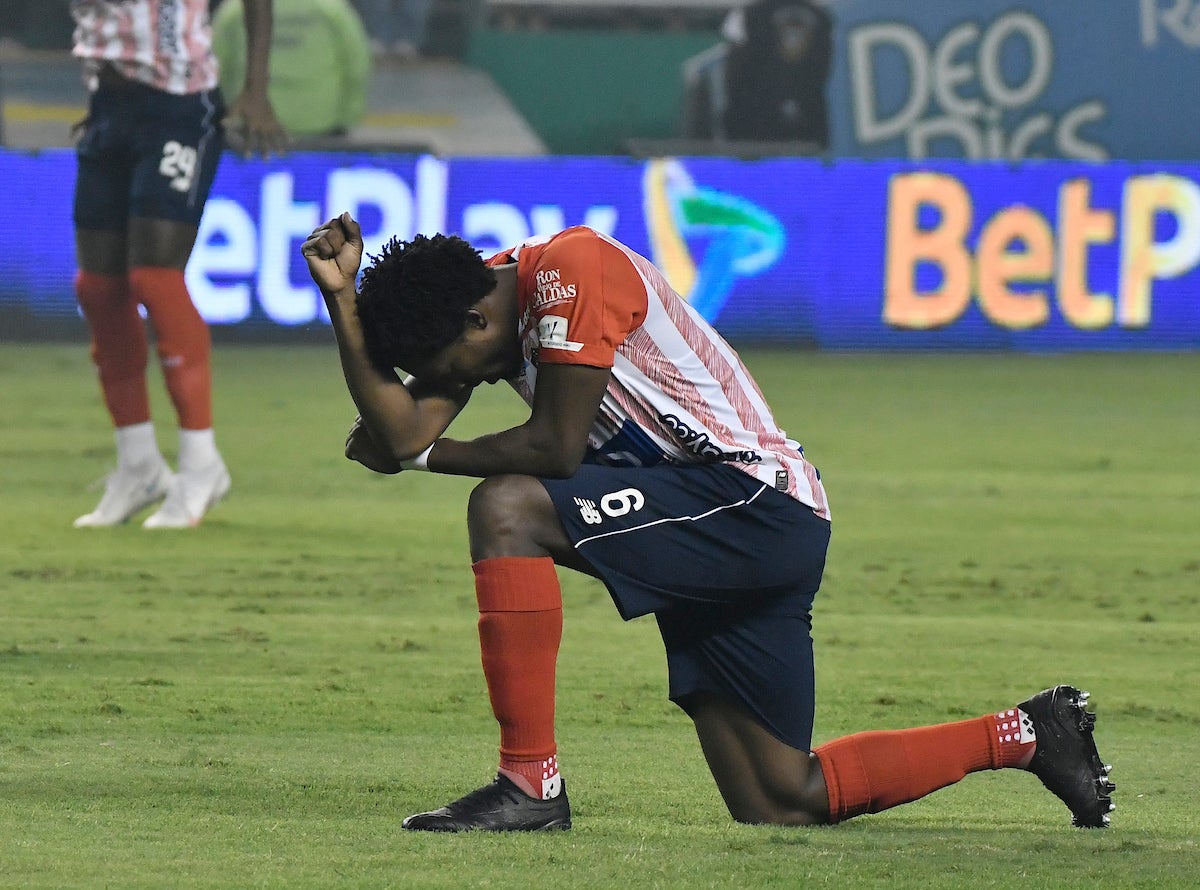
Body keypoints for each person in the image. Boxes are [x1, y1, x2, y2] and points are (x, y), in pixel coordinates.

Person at [300, 212, 1117, 832]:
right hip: (714, 518)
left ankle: (530, 786)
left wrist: (424, 459)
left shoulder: (570, 268)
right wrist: (343, 301)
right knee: (778, 798)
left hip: (752, 505)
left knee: (506, 505)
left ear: (475, 324)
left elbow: (545, 448)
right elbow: (403, 431)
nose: (447, 383)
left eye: (445, 369)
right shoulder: (485, 308)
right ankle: (1026, 734)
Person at [70, 0, 286, 529]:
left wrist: (255, 90)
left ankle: (200, 463)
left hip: (180, 104)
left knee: (154, 276)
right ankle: (138, 464)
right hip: (107, 106)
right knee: (99, 288)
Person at [212, 0, 371, 140]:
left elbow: (215, 66)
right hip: (320, 121)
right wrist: (346, 120)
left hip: (253, 127)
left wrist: (225, 116)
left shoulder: (234, 10)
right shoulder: (332, 9)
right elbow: (357, 66)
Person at [721, 0, 832, 147]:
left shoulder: (744, 16)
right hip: (808, 125)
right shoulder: (823, 17)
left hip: (753, 128)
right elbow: (825, 70)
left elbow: (733, 76)